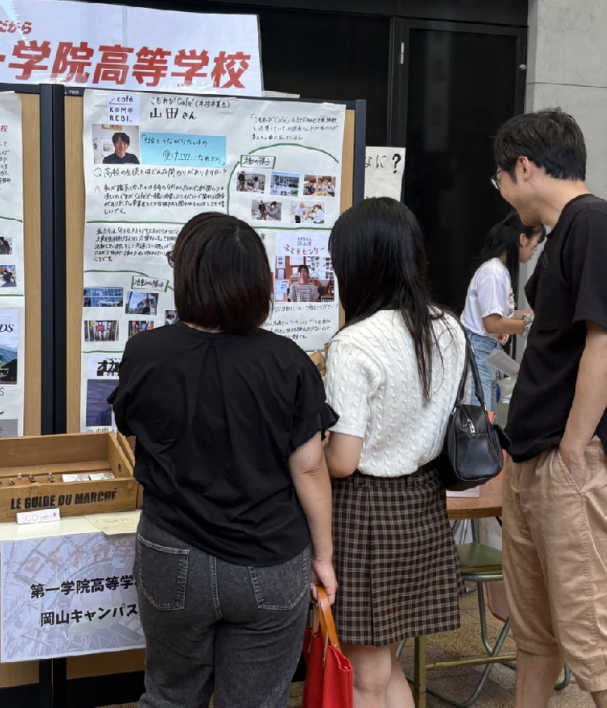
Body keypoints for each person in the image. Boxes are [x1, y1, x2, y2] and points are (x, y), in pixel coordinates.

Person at [109, 212, 338, 708]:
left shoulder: (144, 353)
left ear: (186, 276)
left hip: (172, 550)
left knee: (169, 696)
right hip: (270, 556)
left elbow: (131, 431)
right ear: (258, 282)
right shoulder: (289, 362)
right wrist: (323, 558)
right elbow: (309, 468)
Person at [495, 109, 607, 707]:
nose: (502, 193)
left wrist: (575, 449)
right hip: (536, 453)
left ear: (524, 168)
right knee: (534, 634)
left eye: (500, 179)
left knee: (591, 641)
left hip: (571, 458)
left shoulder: (597, 223)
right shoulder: (566, 232)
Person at [323, 197, 465, 707]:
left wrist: (310, 449)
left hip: (365, 513)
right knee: (386, 663)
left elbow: (343, 460)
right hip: (423, 504)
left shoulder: (353, 343)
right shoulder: (447, 327)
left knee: (366, 676)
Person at [459, 212, 544, 411]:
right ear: (522, 239)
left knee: (487, 416)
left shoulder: (500, 271)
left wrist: (533, 316)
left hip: (488, 351)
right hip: (479, 350)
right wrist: (530, 326)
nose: (535, 250)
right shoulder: (493, 272)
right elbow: (492, 323)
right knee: (479, 418)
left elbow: (503, 317)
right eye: (535, 244)